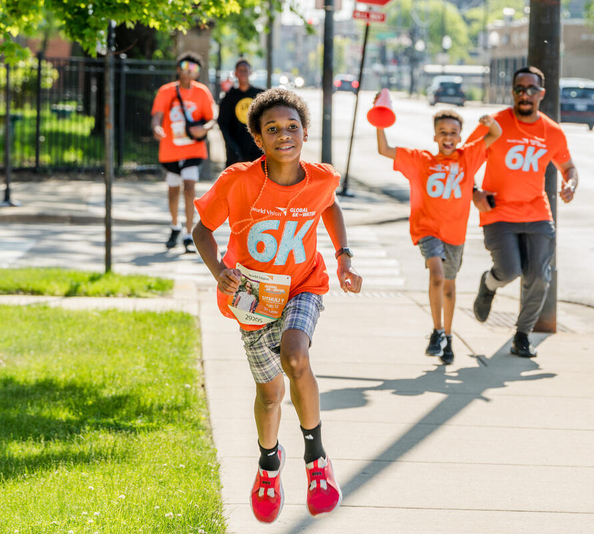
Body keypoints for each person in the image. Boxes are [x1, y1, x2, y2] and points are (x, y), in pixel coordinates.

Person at [192, 88, 362, 523]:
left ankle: (316, 459)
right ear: (258, 138)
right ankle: (269, 464)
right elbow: (201, 231)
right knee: (269, 395)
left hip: (304, 285)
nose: (283, 135)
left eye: (292, 127)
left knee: (295, 357)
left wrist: (343, 258)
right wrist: (219, 272)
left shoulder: (321, 178)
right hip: (251, 297)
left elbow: (331, 207)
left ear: (304, 132)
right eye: (272, 129)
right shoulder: (238, 180)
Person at [468, 66, 579, 358]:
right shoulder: (494, 125)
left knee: (540, 277)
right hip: (498, 212)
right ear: (513, 92)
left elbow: (568, 167)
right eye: (519, 89)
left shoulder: (552, 132)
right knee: (509, 271)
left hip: (537, 212)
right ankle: (488, 284)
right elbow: (464, 161)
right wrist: (474, 193)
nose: (525, 95)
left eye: (531, 90)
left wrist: (571, 184)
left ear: (541, 94)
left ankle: (522, 335)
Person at [375, 108, 501, 364]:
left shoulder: (468, 157)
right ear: (434, 136)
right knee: (437, 277)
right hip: (428, 231)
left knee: (450, 288)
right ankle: (437, 331)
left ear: (459, 136)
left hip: (455, 235)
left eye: (453, 132)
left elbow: (494, 135)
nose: (448, 137)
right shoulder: (421, 161)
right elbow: (384, 149)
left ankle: (448, 336)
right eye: (442, 132)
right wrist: (380, 120)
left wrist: (491, 123)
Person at [151, 51, 216, 253]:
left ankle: (189, 233)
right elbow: (157, 116)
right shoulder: (166, 91)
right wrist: (156, 128)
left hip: (193, 149)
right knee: (173, 189)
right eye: (185, 66)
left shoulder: (202, 92)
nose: (189, 72)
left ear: (198, 72)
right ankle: (174, 226)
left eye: (194, 68)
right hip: (170, 149)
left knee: (189, 187)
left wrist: (204, 128)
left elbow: (211, 118)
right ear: (178, 68)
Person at [218, 58, 264, 167]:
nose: (243, 73)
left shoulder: (260, 95)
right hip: (235, 151)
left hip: (257, 149)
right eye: (240, 70)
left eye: (245, 70)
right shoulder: (228, 97)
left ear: (251, 72)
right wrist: (231, 146)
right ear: (235, 73)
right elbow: (223, 124)